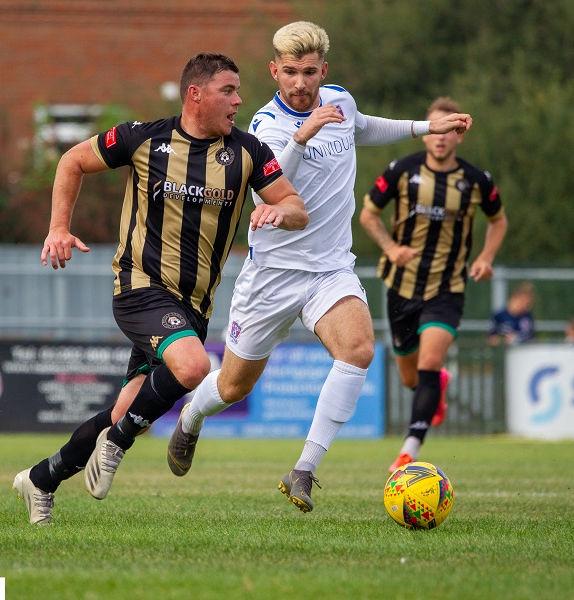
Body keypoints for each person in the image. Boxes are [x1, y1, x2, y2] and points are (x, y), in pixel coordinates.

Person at [165, 22, 474, 513]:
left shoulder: (339, 101)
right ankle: (190, 419)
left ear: (323, 70)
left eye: (309, 72)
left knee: (358, 350)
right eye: (290, 72)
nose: (300, 83)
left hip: (329, 268)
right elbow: (270, 181)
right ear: (274, 71)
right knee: (233, 385)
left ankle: (304, 469)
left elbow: (363, 126)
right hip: (272, 274)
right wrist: (303, 136)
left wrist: (422, 127)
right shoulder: (264, 125)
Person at [11, 51, 308, 524]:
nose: (238, 100)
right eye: (227, 90)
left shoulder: (248, 153)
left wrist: (279, 211)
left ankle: (41, 479)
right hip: (139, 287)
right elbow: (71, 161)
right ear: (196, 94)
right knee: (192, 367)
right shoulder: (143, 138)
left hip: (193, 306)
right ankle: (117, 445)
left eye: (238, 91)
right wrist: (58, 228)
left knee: (123, 409)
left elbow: (296, 207)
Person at [360, 96, 508, 474]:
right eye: (434, 130)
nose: (441, 138)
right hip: (401, 287)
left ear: (459, 135)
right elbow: (368, 215)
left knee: (428, 360)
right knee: (411, 375)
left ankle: (409, 449)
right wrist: (391, 248)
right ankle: (436, 383)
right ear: (426, 134)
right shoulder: (401, 171)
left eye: (449, 131)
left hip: (447, 289)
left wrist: (486, 258)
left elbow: (498, 221)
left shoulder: (476, 181)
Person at [488, 281, 535, 346]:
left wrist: (516, 338)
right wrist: (502, 340)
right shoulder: (499, 316)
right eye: (524, 302)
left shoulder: (527, 317)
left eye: (528, 303)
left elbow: (530, 336)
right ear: (515, 298)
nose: (526, 306)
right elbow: (491, 338)